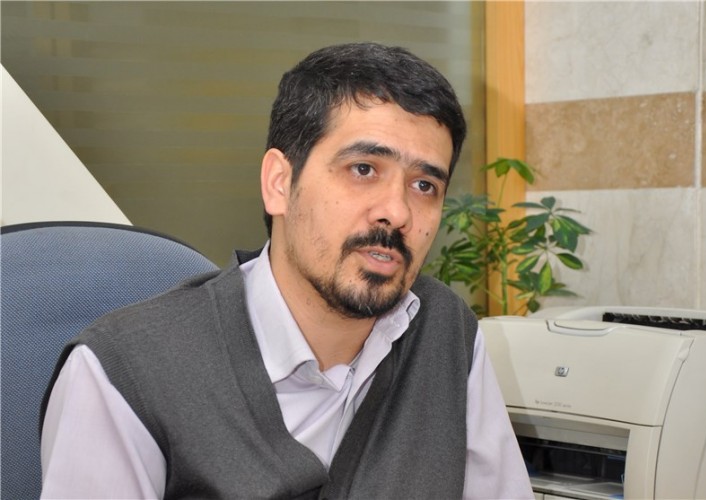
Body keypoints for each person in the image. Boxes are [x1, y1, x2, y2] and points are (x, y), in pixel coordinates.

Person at [40, 42, 533, 499]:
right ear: (279, 183)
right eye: (363, 169)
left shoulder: (445, 333)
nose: (397, 212)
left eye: (425, 185)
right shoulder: (125, 374)